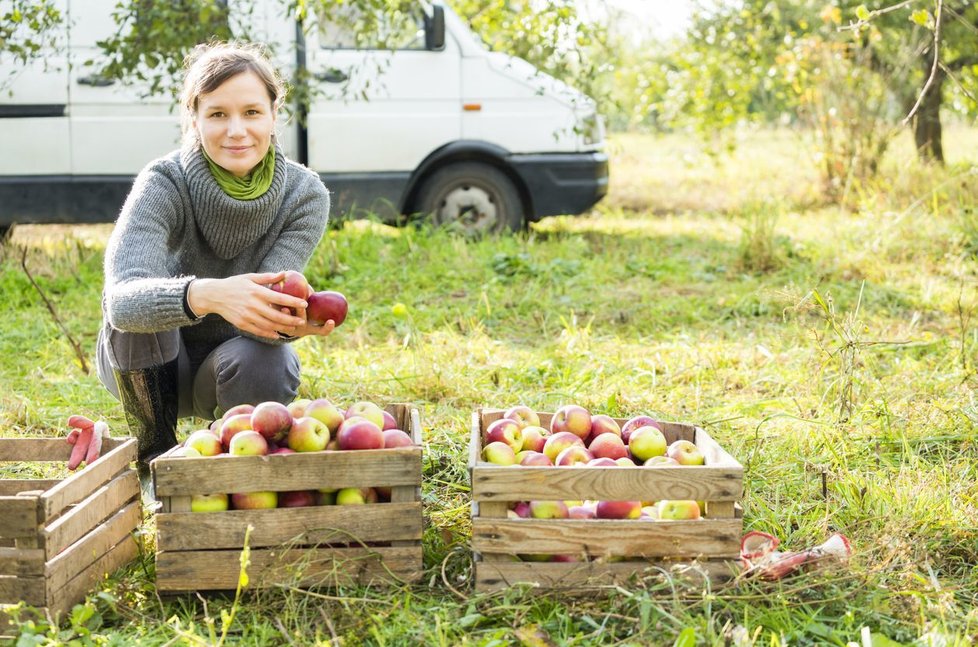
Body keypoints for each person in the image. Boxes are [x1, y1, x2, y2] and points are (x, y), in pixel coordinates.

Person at [95, 42, 333, 482]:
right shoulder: (163, 184)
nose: (236, 130)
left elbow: (265, 309)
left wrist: (289, 322)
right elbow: (121, 304)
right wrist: (208, 294)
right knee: (142, 310)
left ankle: (235, 472)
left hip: (231, 361)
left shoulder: (304, 196)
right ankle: (155, 462)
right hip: (147, 363)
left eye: (252, 112)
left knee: (270, 357)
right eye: (218, 114)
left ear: (274, 115)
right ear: (194, 119)